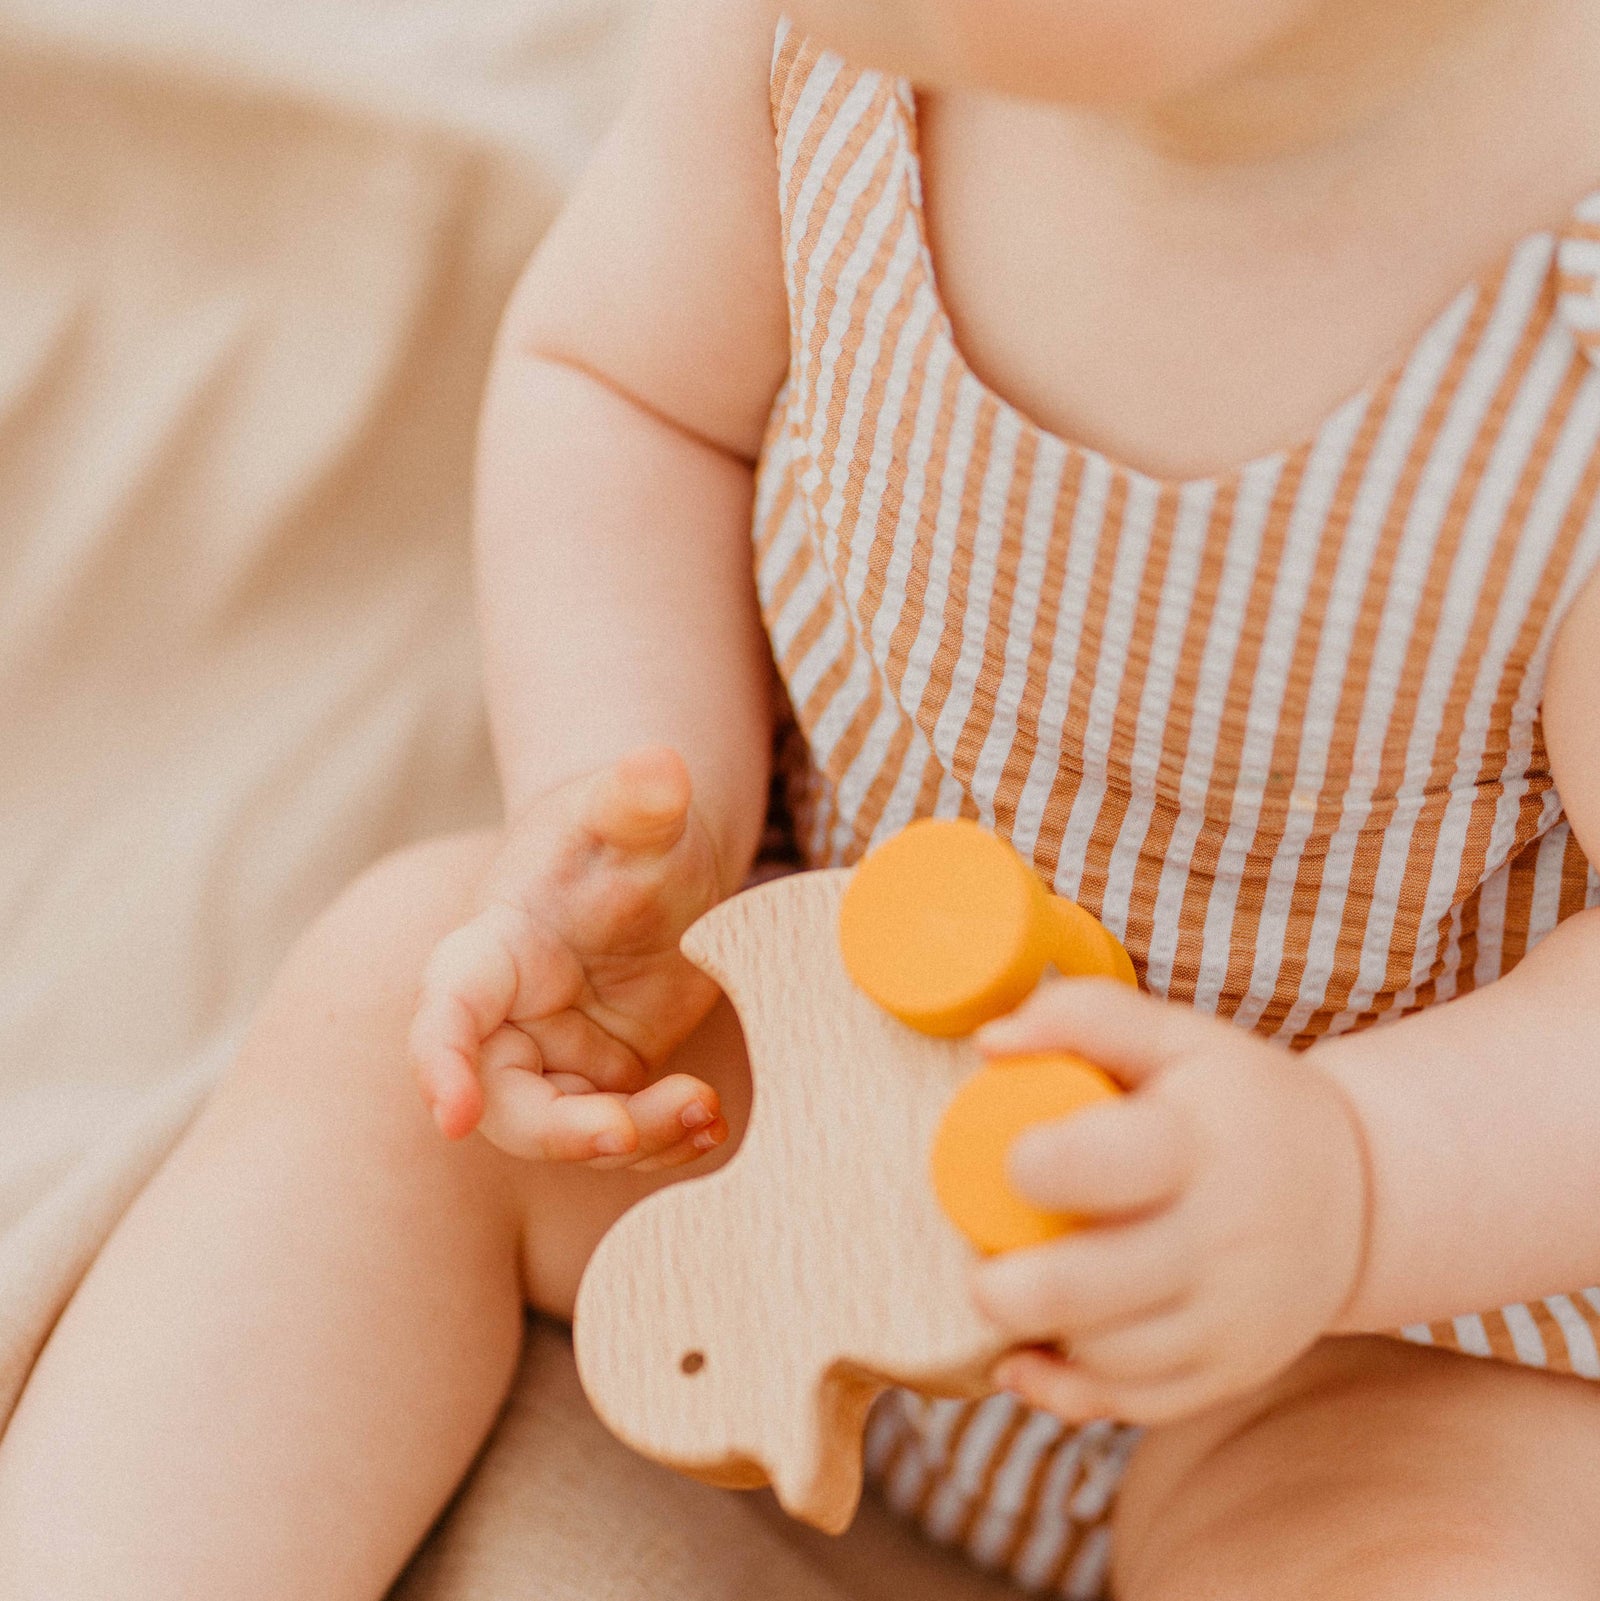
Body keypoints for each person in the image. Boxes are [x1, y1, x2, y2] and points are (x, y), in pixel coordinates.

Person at [7, 0, 1600, 1595]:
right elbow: (626, 386)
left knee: (1454, 1546)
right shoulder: (820, 38)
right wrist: (643, 805)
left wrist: (1352, 1178)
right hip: (792, 1076)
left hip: (1360, 1321)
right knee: (396, 1014)